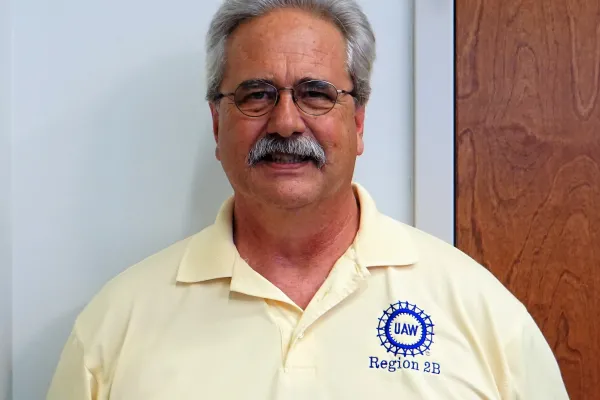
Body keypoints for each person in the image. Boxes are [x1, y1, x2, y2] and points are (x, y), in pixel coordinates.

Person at [47, 0, 569, 398]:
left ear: (358, 122)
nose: (286, 122)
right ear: (217, 124)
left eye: (316, 94)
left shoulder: (482, 314)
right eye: (256, 95)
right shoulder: (115, 326)